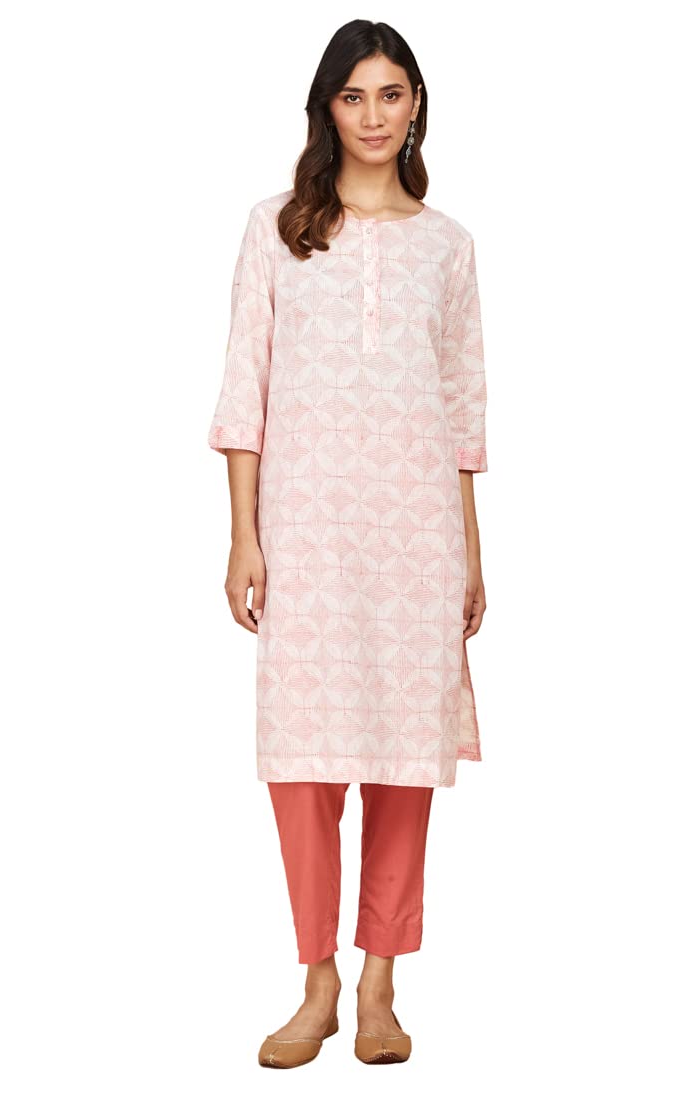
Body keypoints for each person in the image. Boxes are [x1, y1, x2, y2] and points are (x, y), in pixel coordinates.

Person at [207, 20, 489, 1068]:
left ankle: (379, 980)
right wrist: (242, 535)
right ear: (327, 108)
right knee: (304, 763)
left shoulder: (447, 245)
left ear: (416, 105)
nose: (373, 115)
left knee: (404, 762)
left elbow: (462, 411)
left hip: (416, 535)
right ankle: (316, 977)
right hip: (308, 530)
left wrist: (470, 551)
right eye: (353, 95)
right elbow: (244, 390)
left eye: (391, 93)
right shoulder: (276, 229)